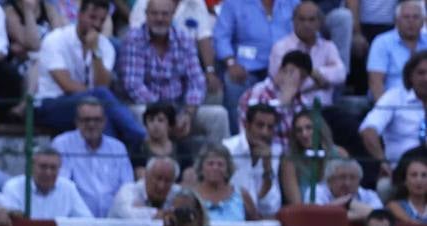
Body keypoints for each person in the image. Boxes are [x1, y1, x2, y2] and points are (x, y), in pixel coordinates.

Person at [32, 0, 145, 143]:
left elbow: (102, 84)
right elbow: (67, 85)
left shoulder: (105, 47)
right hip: (51, 104)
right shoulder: (55, 40)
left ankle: (112, 157)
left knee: (103, 116)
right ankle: (140, 137)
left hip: (88, 105)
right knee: (100, 99)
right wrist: (95, 96)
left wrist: (95, 52)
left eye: (102, 20)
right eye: (92, 18)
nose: (97, 24)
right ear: (80, 14)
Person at [117, 0, 227, 144]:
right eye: (155, 14)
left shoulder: (184, 39)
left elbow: (196, 82)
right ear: (146, 15)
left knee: (219, 116)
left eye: (164, 14)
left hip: (179, 107)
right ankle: (148, 161)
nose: (160, 18)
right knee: (138, 113)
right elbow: (133, 85)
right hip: (146, 108)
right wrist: (165, 115)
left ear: (173, 15)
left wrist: (188, 113)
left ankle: (212, 162)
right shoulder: (133, 39)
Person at [211, 0, 295, 127]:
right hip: (246, 69)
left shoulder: (292, 2)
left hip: (283, 68)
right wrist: (231, 62)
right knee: (233, 82)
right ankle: (239, 140)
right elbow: (221, 36)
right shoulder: (234, 3)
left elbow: (303, 31)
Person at [52, 97, 133, 218]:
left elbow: (127, 186)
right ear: (77, 122)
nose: (91, 124)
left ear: (104, 122)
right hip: (76, 221)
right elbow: (62, 186)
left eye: (97, 120)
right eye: (86, 120)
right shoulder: (62, 144)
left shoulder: (117, 147)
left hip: (113, 221)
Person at [360, 49, 427, 183]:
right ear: (410, 76)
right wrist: (383, 162)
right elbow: (368, 131)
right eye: (421, 73)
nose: (426, 78)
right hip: (402, 174)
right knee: (385, 186)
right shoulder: (394, 97)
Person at [236, 49, 311, 140]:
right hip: (260, 150)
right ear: (281, 70)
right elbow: (256, 135)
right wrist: (283, 102)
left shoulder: (303, 102)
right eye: (291, 72)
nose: (298, 79)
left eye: (303, 77)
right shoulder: (257, 93)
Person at [223, 103, 282, 217]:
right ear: (247, 125)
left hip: (262, 218)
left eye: (270, 127)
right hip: (233, 216)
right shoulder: (228, 149)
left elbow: (271, 206)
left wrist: (267, 165)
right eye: (260, 125)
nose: (265, 132)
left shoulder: (276, 152)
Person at [1, 147, 93, 217]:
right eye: (43, 167)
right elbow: (12, 221)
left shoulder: (68, 187)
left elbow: (87, 220)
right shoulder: (14, 187)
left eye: (53, 168)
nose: (48, 172)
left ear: (59, 169)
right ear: (32, 167)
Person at [279, 108, 342, 204]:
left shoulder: (339, 154)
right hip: (306, 215)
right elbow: (297, 205)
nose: (304, 134)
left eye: (309, 128)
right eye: (299, 130)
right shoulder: (290, 162)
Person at [366, 0, 427, 99]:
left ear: (423, 22)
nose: (411, 21)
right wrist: (385, 110)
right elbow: (375, 82)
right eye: (406, 17)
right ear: (396, 21)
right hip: (391, 102)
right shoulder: (382, 42)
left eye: (415, 17)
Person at [191, 142, 257, 221]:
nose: (215, 168)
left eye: (220, 164)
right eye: (210, 164)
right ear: (201, 168)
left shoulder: (242, 195)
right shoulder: (190, 196)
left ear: (227, 169)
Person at [110, 154, 179, 218]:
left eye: (167, 181)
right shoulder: (128, 190)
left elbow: (186, 193)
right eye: (158, 178)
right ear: (146, 175)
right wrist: (158, 214)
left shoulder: (175, 191)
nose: (161, 186)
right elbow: (126, 213)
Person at [314, 158, 382, 220]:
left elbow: (380, 216)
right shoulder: (316, 191)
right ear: (329, 180)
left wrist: (349, 202)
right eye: (342, 177)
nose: (347, 183)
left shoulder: (369, 195)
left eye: (352, 178)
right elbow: (317, 216)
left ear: (359, 181)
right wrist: (364, 215)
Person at [386, 151, 427, 222]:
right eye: (414, 175)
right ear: (405, 181)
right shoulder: (395, 206)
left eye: (424, 175)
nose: (419, 180)